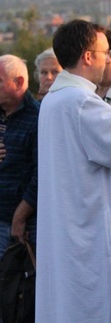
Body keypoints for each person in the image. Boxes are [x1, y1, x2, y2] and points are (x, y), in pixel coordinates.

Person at [36, 19, 111, 322]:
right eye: (104, 51)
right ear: (87, 56)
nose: (108, 59)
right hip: (88, 231)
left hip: (67, 226)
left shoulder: (54, 99)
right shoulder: (82, 103)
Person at [0, 55, 39, 256]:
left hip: (18, 226)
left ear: (19, 82)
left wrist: (20, 217)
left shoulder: (38, 118)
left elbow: (40, 174)